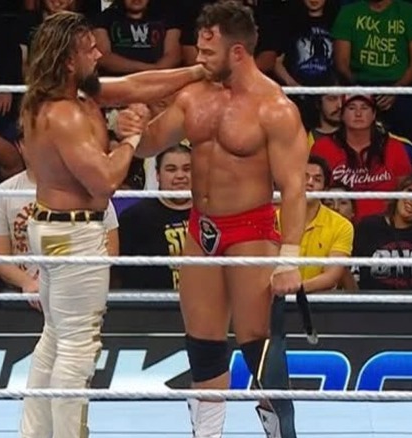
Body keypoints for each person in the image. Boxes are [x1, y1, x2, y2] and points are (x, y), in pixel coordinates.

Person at [118, 2, 308, 436]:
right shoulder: (193, 96)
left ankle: (281, 432)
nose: (198, 58)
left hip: (251, 229)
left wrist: (290, 255)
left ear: (237, 52)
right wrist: (132, 126)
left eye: (208, 51)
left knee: (259, 345)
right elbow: (149, 145)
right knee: (203, 345)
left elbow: (294, 186)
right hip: (201, 228)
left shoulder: (274, 108)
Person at [18, 11, 208, 438]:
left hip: (54, 229)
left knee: (54, 337)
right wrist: (131, 139)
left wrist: (196, 71)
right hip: (73, 235)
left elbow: (137, 86)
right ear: (69, 60)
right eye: (90, 50)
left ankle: (36, 434)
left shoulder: (67, 97)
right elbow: (104, 182)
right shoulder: (64, 114)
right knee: (77, 346)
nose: (100, 54)